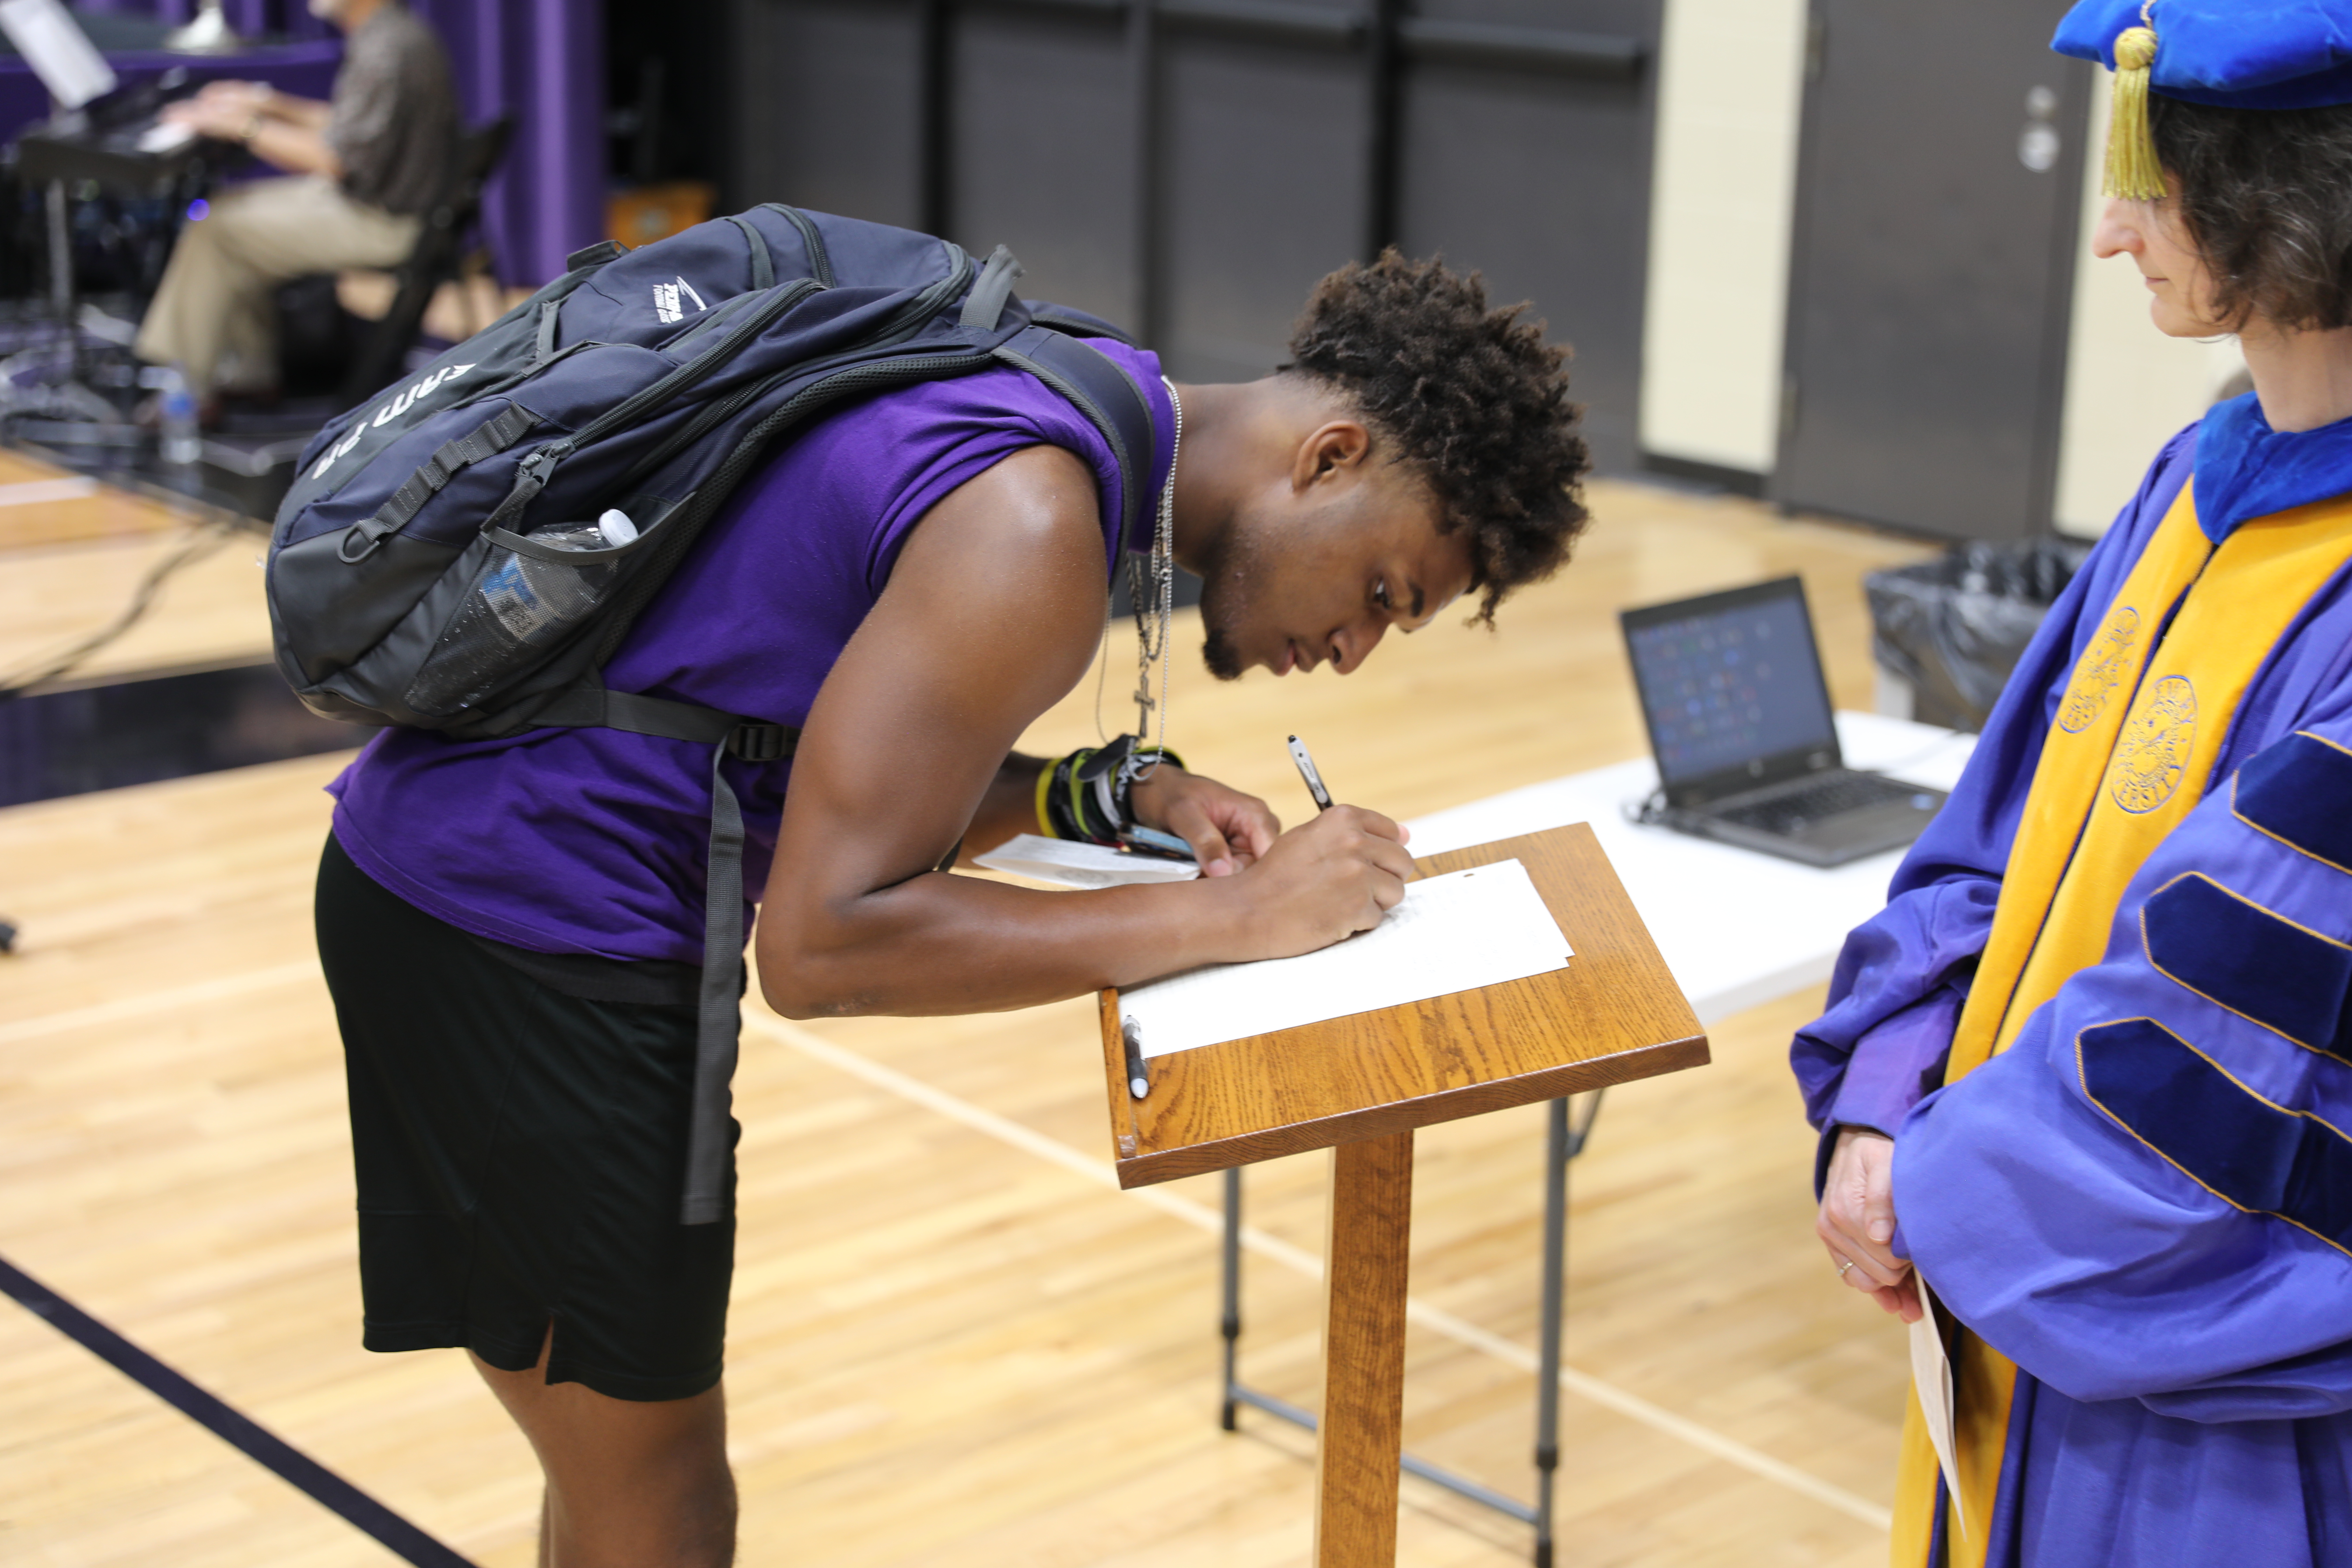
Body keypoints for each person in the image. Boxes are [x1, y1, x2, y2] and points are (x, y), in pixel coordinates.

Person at [313, 250, 1589, 1565]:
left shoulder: (1064, 384)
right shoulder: (1035, 525)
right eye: (1382, 592)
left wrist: (1093, 798)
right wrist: (1235, 917)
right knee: (665, 1509)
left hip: (447, 876)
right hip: (524, 928)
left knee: (610, 1476)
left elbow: (826, 752)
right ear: (1327, 456)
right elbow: (822, 942)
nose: (1353, 649)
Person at [1794, 3, 2352, 1563]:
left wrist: (1939, 1179)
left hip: (2201, 1409)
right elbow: (1993, 835)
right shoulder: (2190, 487)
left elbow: (2236, 1054)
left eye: (2151, 187)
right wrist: (1884, 1090)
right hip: (2012, 1315)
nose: (2110, 232)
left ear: (2284, 202)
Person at [133, 0, 459, 418]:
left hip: (388, 221)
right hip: (393, 205)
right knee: (231, 211)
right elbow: (350, 127)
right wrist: (265, 103)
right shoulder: (394, 35)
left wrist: (243, 127)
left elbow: (337, 161)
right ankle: (248, 372)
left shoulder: (388, 50)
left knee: (218, 226)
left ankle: (182, 387)